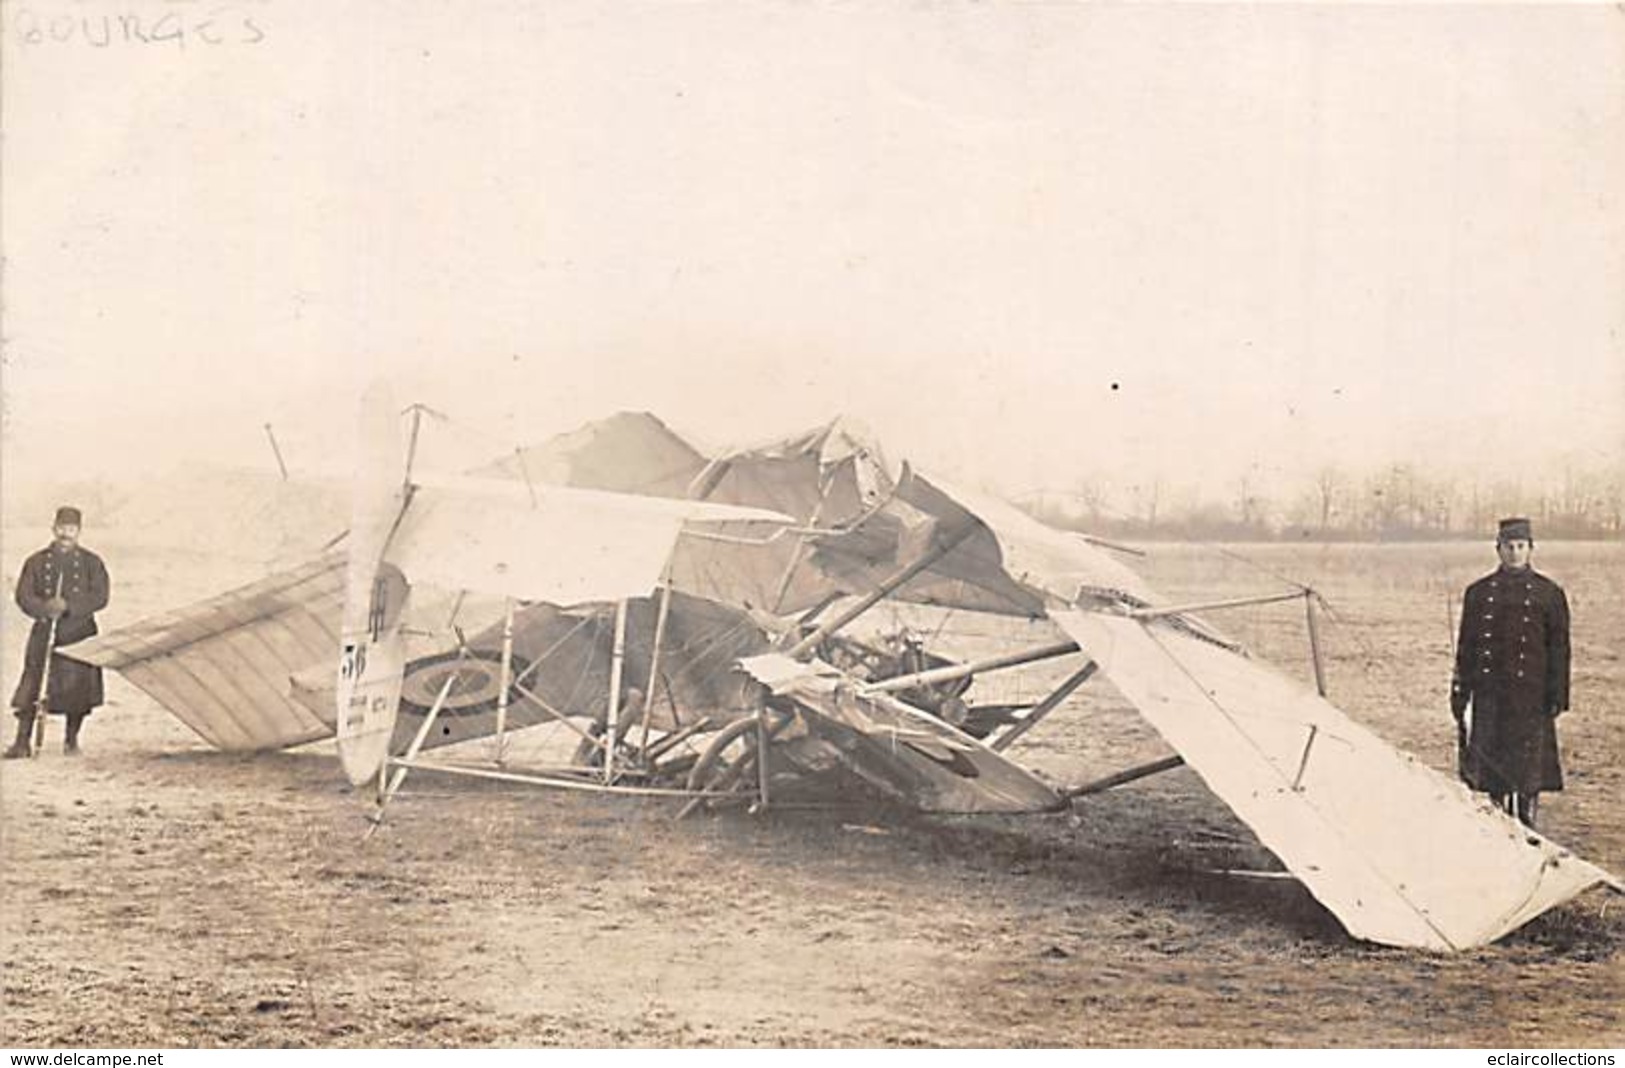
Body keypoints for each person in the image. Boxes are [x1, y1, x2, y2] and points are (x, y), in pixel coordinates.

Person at [1450, 516, 1570, 828]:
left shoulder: (1549, 594)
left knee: (1528, 773)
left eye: (1520, 546)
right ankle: (1499, 823)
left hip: (1531, 696)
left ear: (1531, 549)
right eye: (1508, 547)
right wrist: (1460, 690)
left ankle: (1528, 822)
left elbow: (1559, 650)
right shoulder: (1479, 593)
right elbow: (1467, 647)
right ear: (1498, 549)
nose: (1514, 553)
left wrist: (1558, 695)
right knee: (1493, 772)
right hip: (1491, 695)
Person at [6, 506, 110, 758]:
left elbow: (100, 596)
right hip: (45, 630)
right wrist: (44, 608)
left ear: (79, 532)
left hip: (79, 633)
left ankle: (71, 741)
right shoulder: (36, 561)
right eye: (62, 528)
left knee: (79, 688)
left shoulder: (91, 562)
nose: (66, 534)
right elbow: (23, 595)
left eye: (72, 529)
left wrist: (70, 607)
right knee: (34, 683)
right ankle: (22, 742)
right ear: (54, 529)